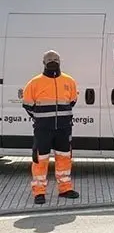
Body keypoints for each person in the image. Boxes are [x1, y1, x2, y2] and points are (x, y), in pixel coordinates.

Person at [22, 50, 80, 205]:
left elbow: (72, 101)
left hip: (63, 129)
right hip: (43, 130)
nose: (52, 61)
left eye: (55, 59)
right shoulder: (34, 83)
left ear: (60, 61)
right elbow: (27, 104)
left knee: (65, 159)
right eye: (49, 59)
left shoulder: (69, 81)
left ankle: (65, 189)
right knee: (40, 160)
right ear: (44, 62)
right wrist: (41, 118)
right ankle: (39, 193)